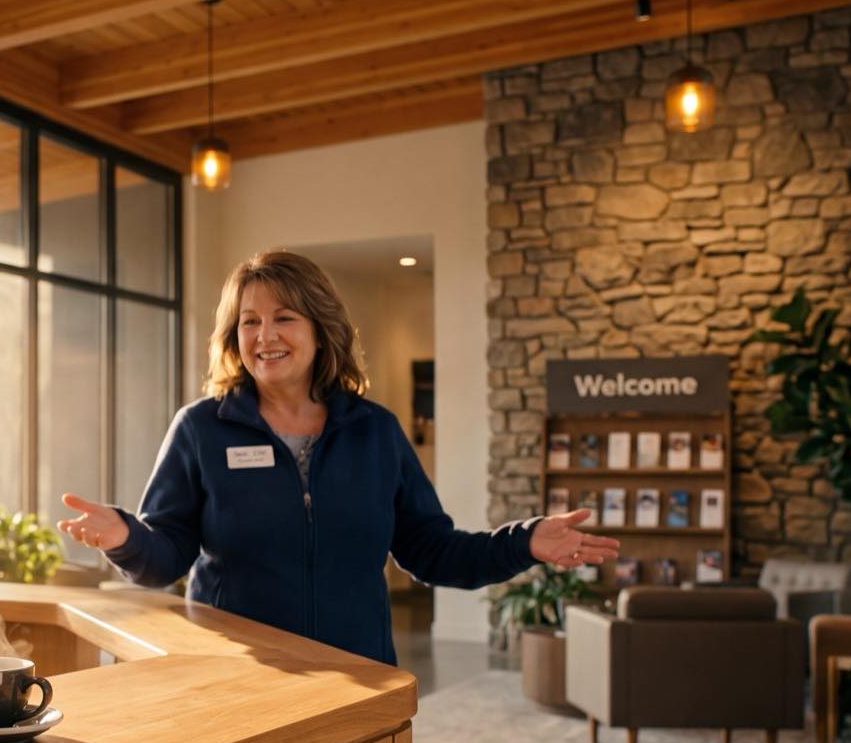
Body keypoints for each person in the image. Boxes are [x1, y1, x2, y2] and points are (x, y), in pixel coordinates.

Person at [57, 249, 618, 665]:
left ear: (320, 332)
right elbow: (167, 556)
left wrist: (525, 542)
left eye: (284, 318)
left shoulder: (374, 431)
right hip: (237, 675)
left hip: (357, 673)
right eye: (249, 321)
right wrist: (126, 538)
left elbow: (433, 551)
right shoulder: (202, 428)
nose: (264, 335)